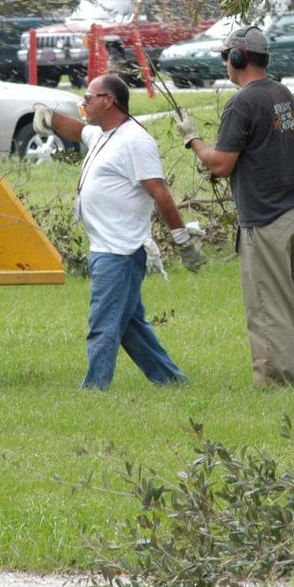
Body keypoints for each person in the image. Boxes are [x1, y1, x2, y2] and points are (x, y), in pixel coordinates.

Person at [173, 26, 294, 389]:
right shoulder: (281, 93)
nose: (224, 63)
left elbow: (220, 164)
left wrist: (192, 139)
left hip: (267, 222)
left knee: (269, 307)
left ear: (238, 57)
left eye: (226, 56)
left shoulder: (242, 102)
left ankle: (272, 385)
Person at [33, 74, 205, 390]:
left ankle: (94, 389)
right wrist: (50, 116)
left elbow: (160, 192)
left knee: (104, 323)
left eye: (89, 96)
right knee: (129, 325)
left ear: (109, 100)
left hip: (121, 250)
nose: (84, 102)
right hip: (105, 247)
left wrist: (181, 239)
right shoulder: (102, 134)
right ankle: (171, 381)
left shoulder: (135, 141)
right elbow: (79, 130)